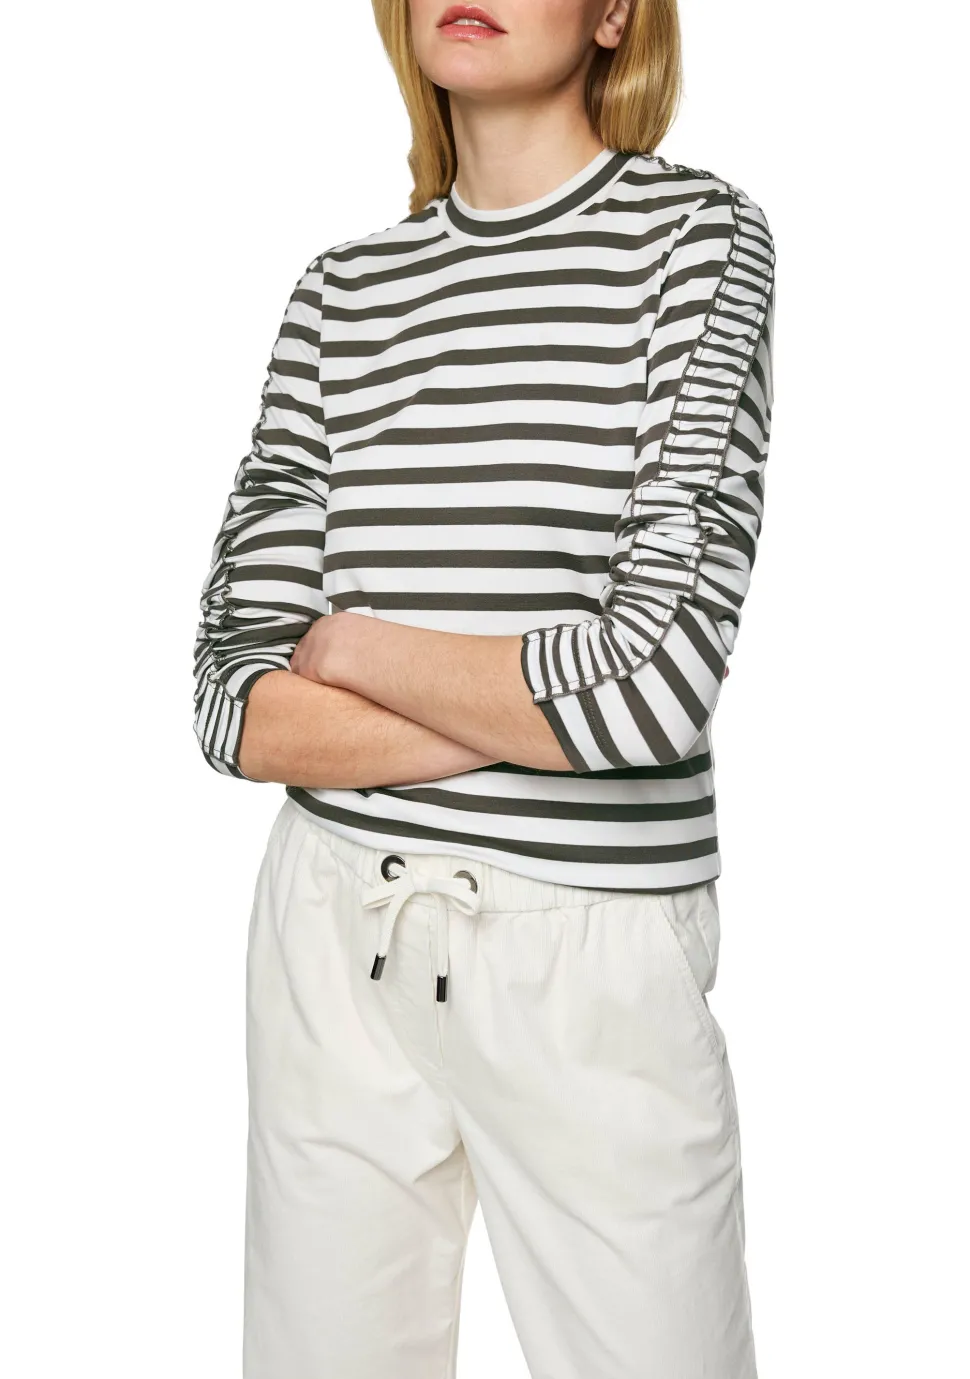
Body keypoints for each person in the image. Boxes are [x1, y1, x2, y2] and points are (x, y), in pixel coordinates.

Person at [191, 1, 775, 1374]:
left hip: (587, 944)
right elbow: (232, 704)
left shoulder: (695, 242)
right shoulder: (339, 293)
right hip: (332, 922)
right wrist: (532, 706)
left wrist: (349, 645)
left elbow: (655, 689)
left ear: (614, 13)